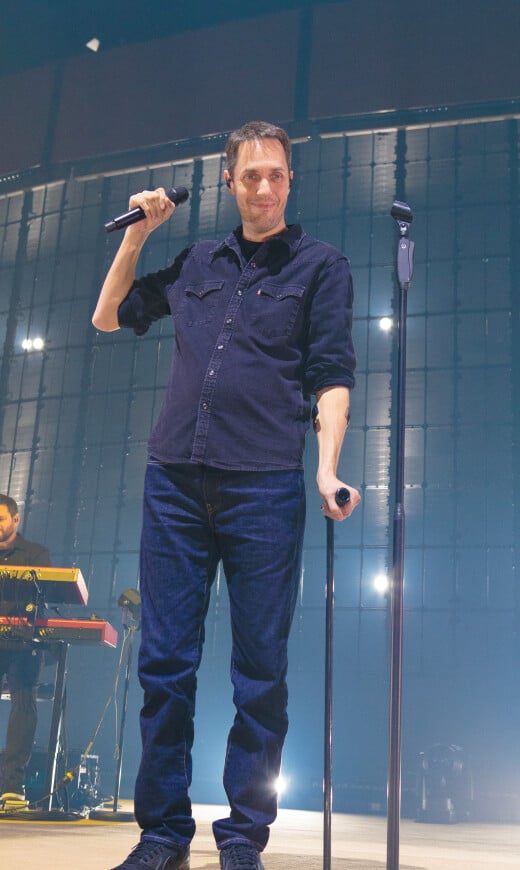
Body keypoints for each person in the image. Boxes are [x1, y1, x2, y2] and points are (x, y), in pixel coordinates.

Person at [92, 120, 360, 870]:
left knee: (260, 672)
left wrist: (326, 466)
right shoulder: (197, 260)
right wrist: (138, 236)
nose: (265, 187)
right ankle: (162, 836)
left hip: (265, 488)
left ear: (290, 180)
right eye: (251, 176)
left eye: (277, 174)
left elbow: (332, 375)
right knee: (165, 667)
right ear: (229, 182)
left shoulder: (320, 267)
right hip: (174, 482)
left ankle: (243, 836)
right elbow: (108, 316)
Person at [0, 494, 51, 807]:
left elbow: (43, 593)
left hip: (22, 640)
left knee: (24, 705)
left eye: (0, 519)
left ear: (15, 520)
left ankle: (11, 786)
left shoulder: (35, 553)